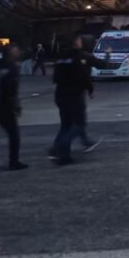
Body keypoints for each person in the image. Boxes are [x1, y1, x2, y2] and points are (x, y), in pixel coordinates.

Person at [51, 36, 95, 165]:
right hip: (74, 95)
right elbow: (83, 75)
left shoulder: (61, 58)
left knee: (66, 125)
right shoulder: (80, 57)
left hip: (60, 94)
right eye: (79, 40)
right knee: (79, 124)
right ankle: (61, 146)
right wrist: (90, 88)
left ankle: (64, 156)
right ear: (75, 43)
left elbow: (55, 77)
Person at [0, 44, 28, 170]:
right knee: (13, 135)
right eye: (16, 51)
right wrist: (16, 106)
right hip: (2, 106)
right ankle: (13, 162)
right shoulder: (11, 69)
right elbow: (11, 90)